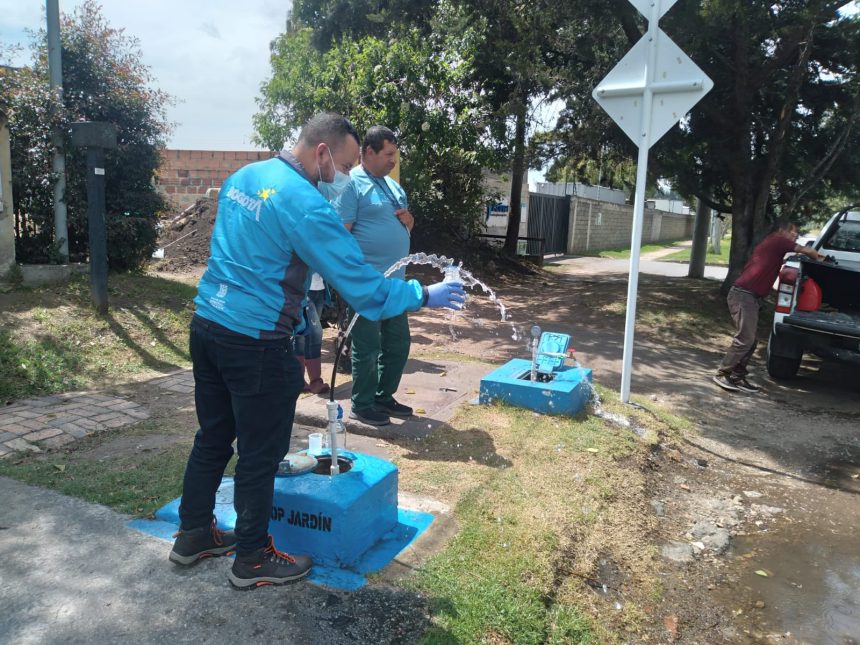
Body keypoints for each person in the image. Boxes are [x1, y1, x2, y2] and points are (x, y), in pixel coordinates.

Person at [168, 113, 465, 589]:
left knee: (212, 438)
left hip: (207, 326)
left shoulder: (244, 177)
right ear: (322, 153)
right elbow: (365, 288)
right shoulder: (305, 203)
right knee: (260, 457)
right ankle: (251, 559)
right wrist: (424, 295)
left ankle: (193, 534)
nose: (344, 178)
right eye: (345, 166)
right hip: (256, 340)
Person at [335, 126, 415, 426]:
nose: (393, 160)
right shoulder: (350, 184)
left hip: (396, 284)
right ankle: (362, 403)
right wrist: (348, 277)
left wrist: (410, 221)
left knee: (398, 344)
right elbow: (342, 234)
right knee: (368, 347)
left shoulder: (393, 186)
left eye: (395, 154)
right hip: (366, 283)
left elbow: (404, 226)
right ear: (368, 152)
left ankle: (383, 396)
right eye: (388, 154)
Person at [713, 219, 826, 393]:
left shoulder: (775, 246)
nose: (795, 236)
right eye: (792, 232)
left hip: (750, 297)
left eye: (796, 234)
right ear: (781, 230)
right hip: (743, 295)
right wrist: (820, 258)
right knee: (745, 339)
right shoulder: (778, 240)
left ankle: (737, 377)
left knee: (750, 340)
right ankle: (722, 374)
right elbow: (807, 250)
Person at [294, 272, 330, 395]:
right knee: (313, 333)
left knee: (304, 334)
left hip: (319, 289)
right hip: (303, 289)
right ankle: (313, 381)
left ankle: (304, 382)